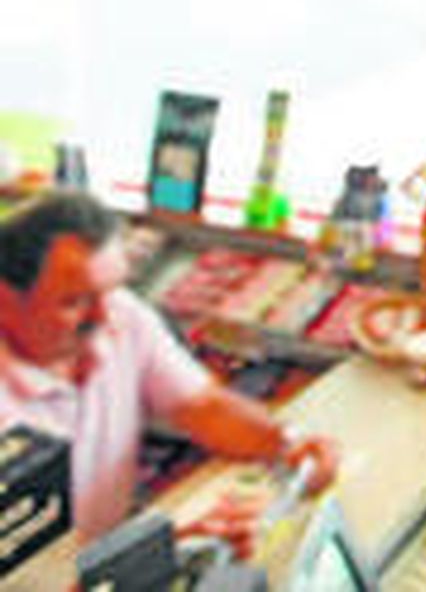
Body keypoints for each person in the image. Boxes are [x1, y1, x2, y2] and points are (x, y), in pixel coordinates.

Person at [0, 189, 339, 542]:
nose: (103, 317)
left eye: (111, 290)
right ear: (5, 299)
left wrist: (287, 443)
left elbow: (204, 407)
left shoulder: (120, 312)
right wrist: (159, 547)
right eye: (74, 302)